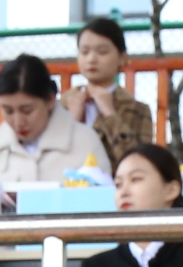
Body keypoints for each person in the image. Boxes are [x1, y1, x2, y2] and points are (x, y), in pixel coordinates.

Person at [0, 53, 111, 184]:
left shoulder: (85, 142)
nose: (18, 122)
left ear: (50, 100)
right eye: (8, 111)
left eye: (27, 111)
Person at [61, 16, 153, 163]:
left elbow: (139, 162)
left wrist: (110, 114)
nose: (91, 59)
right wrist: (72, 120)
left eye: (102, 52)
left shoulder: (137, 109)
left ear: (122, 58)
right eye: (85, 52)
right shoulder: (62, 104)